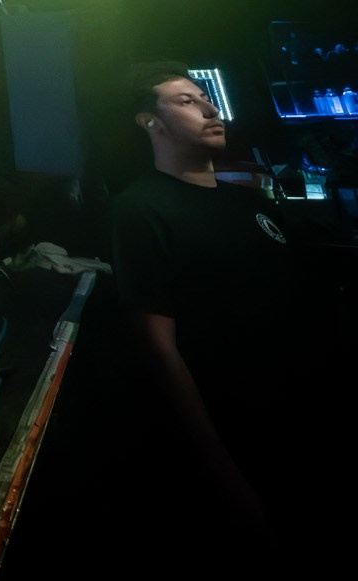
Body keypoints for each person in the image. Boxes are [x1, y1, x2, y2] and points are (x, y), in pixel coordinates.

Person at [109, 63, 347, 567]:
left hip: (311, 426)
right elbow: (158, 347)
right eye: (186, 101)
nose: (211, 109)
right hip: (247, 437)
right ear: (149, 122)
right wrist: (223, 471)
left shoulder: (248, 204)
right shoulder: (140, 210)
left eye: (206, 98)